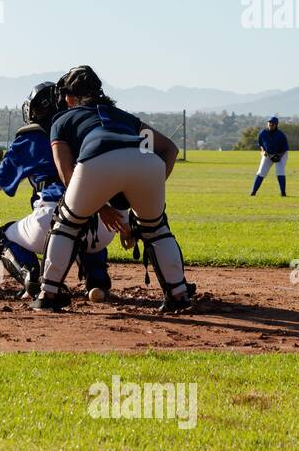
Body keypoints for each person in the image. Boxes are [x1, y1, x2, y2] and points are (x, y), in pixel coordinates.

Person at [33, 65, 193, 314]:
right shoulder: (124, 116)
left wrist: (101, 208)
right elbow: (169, 149)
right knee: (156, 229)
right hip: (146, 159)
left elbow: (67, 173)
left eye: (65, 95)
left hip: (98, 157)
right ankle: (179, 295)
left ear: (71, 97)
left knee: (66, 223)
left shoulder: (62, 120)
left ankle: (48, 294)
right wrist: (147, 195)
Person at [0, 82, 119, 301]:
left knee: (4, 235)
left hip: (52, 220)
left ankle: (33, 279)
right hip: (103, 224)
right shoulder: (85, 128)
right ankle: (97, 282)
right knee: (86, 216)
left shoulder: (31, 137)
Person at [252, 116, 289, 197]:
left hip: (281, 154)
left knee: (280, 172)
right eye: (269, 122)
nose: (270, 124)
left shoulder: (280, 135)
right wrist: (263, 152)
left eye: (272, 123)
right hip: (268, 154)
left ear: (276, 125)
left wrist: (279, 156)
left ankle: (283, 193)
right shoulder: (263, 133)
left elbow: (285, 149)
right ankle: (253, 192)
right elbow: (261, 145)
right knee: (261, 172)